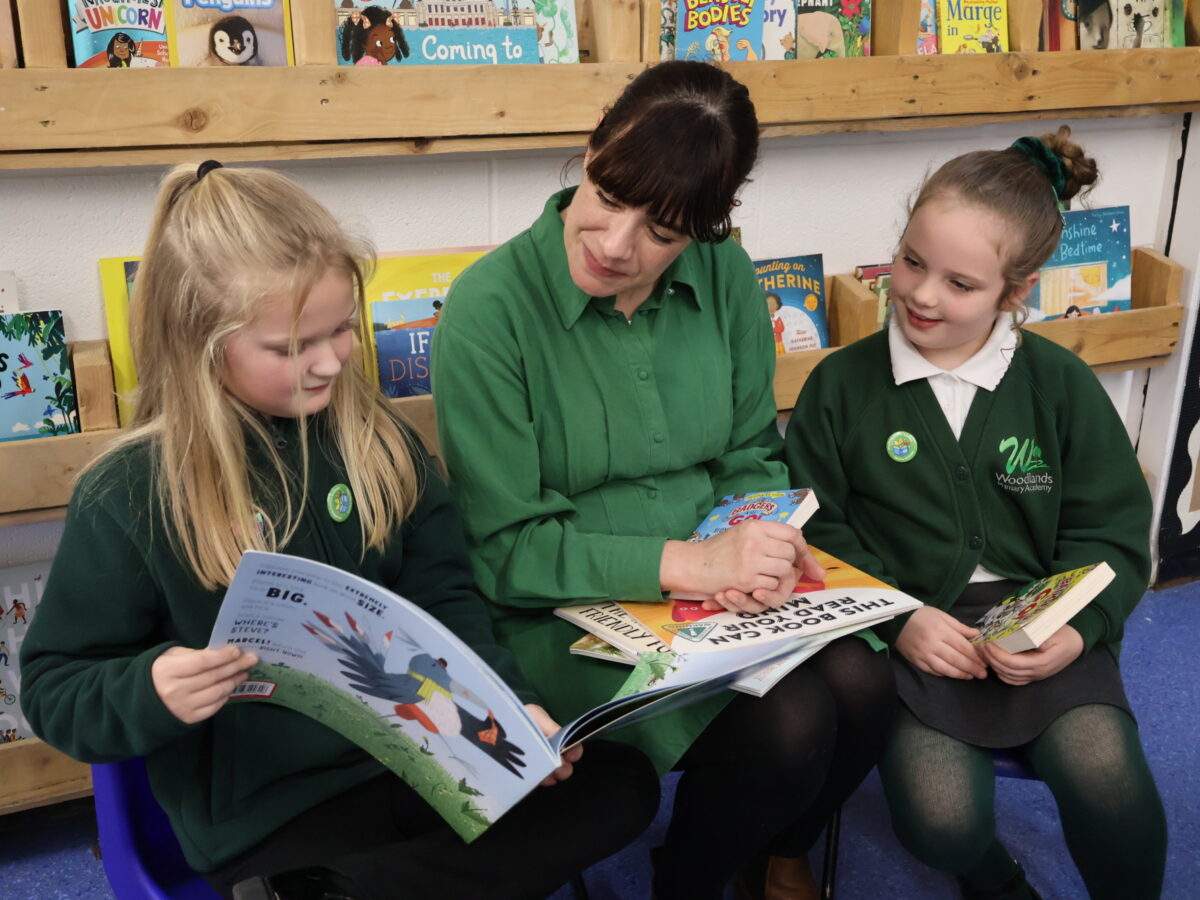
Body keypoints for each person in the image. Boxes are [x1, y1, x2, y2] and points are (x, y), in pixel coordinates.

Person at [20, 162, 658, 900]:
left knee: (621, 782)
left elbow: (446, 602)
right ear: (200, 343)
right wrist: (150, 688)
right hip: (273, 814)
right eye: (291, 348)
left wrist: (510, 712)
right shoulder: (129, 493)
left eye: (342, 329)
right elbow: (55, 689)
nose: (330, 361)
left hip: (421, 763)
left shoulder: (378, 440)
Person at [430, 60, 895, 900]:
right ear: (591, 147)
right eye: (607, 194)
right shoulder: (487, 309)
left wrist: (759, 547)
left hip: (709, 581)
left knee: (866, 687)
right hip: (558, 609)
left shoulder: (724, 274)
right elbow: (507, 552)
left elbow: (752, 449)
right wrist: (695, 565)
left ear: (709, 228)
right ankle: (687, 884)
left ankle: (773, 849)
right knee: (788, 728)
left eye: (663, 231)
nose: (615, 244)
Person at [784, 126, 1167, 900]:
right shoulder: (839, 387)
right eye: (911, 262)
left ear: (1015, 291)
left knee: (1109, 782)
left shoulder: (1059, 384)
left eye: (960, 285)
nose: (923, 295)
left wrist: (1078, 631)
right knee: (940, 823)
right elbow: (821, 536)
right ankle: (994, 880)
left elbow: (1115, 538)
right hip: (921, 630)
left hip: (1049, 626)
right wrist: (901, 618)